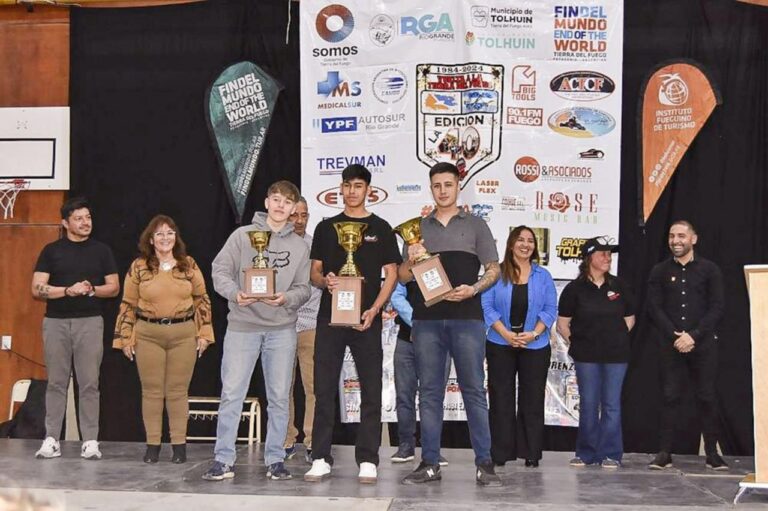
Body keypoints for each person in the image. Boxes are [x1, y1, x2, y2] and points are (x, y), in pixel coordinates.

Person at [399, 162, 502, 486]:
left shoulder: (476, 225)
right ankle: (429, 463)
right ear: (431, 188)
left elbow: (494, 269)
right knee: (429, 393)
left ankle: (485, 464)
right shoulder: (416, 229)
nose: (442, 190)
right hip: (426, 321)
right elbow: (402, 277)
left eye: (448, 184)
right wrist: (411, 259)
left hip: (467, 320)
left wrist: (473, 288)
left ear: (458, 186)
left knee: (474, 391)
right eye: (437, 185)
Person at [202, 180, 310, 482]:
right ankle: (223, 459)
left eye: (287, 203)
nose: (280, 206)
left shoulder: (300, 246)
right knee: (232, 393)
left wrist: (287, 298)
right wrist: (236, 293)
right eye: (276, 199)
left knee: (278, 396)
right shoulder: (242, 237)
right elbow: (219, 270)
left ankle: (276, 458)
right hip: (242, 326)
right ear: (267, 202)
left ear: (293, 209)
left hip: (282, 329)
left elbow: (304, 288)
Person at [304, 164, 400, 484]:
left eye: (358, 185)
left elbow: (393, 274)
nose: (352, 191)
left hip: (366, 320)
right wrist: (326, 280)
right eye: (347, 185)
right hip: (331, 319)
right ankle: (320, 456)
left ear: (368, 190)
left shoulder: (381, 228)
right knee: (324, 387)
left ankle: (368, 458)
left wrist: (375, 308)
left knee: (371, 388)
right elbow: (314, 272)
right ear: (340, 189)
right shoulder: (325, 227)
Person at [113, 214, 214, 464]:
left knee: (178, 391)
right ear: (150, 239)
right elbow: (128, 303)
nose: (165, 238)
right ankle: (153, 445)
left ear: (176, 237)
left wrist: (204, 333)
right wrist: (125, 337)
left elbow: (202, 298)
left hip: (183, 334)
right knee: (152, 392)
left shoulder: (188, 264)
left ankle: (179, 446)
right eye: (159, 234)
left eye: (170, 233)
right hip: (148, 334)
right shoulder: (138, 267)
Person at [31, 197, 120, 460]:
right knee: (56, 383)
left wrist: (93, 289)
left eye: (88, 217)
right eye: (79, 218)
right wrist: (67, 291)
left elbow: (113, 287)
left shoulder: (102, 251)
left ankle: (90, 441)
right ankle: (51, 439)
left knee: (89, 383)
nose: (85, 223)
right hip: (56, 323)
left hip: (90, 322)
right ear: (65, 222)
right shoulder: (51, 251)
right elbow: (36, 288)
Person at [646, 220, 727, 471]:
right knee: (670, 396)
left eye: (681, 236)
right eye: (671, 236)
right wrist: (675, 336)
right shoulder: (659, 271)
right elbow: (654, 308)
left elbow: (717, 307)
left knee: (706, 396)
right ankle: (664, 453)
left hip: (703, 345)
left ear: (693, 239)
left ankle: (712, 454)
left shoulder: (710, 270)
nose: (675, 241)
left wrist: (693, 336)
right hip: (670, 346)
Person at [556, 237, 635, 469]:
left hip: (617, 356)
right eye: (603, 254)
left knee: (611, 404)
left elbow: (629, 320)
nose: (608, 258)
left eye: (610, 254)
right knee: (589, 403)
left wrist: (613, 338)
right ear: (589, 257)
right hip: (586, 357)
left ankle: (611, 453)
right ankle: (585, 453)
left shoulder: (619, 286)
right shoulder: (574, 289)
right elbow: (562, 324)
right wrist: (579, 344)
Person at [481, 226, 557, 468]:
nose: (526, 244)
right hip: (500, 344)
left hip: (535, 345)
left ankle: (531, 452)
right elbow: (486, 305)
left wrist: (533, 333)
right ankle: (500, 453)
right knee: (501, 399)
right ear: (511, 244)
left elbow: (550, 309)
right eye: (521, 240)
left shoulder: (542, 275)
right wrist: (506, 333)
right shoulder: (497, 273)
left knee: (532, 400)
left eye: (530, 241)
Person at [389, 281, 450, 466]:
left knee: (433, 397)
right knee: (404, 395)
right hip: (406, 339)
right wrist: (416, 321)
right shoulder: (407, 266)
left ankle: (432, 449)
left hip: (439, 339)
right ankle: (406, 445)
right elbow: (396, 296)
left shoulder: (447, 266)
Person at [284, 197, 322, 464]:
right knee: (281, 387)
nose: (299, 220)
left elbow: (322, 281)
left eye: (304, 215)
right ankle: (285, 440)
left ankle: (311, 441)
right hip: (280, 325)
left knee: (314, 387)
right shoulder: (273, 247)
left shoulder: (315, 247)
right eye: (294, 215)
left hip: (311, 324)